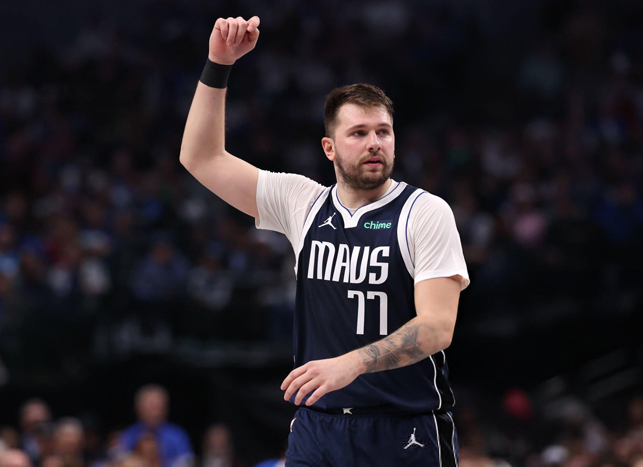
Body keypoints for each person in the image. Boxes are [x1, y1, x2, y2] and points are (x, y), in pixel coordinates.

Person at [180, 15, 469, 466]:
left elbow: (437, 327)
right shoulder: (303, 202)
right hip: (319, 427)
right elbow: (201, 158)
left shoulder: (424, 212)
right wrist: (219, 63)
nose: (375, 143)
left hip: (402, 426)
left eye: (383, 132)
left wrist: (353, 363)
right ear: (329, 148)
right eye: (359, 133)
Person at [119, 385, 193, 467]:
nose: (155, 414)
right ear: (138, 409)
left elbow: (186, 462)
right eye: (150, 408)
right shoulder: (128, 435)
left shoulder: (177, 435)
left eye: (158, 408)